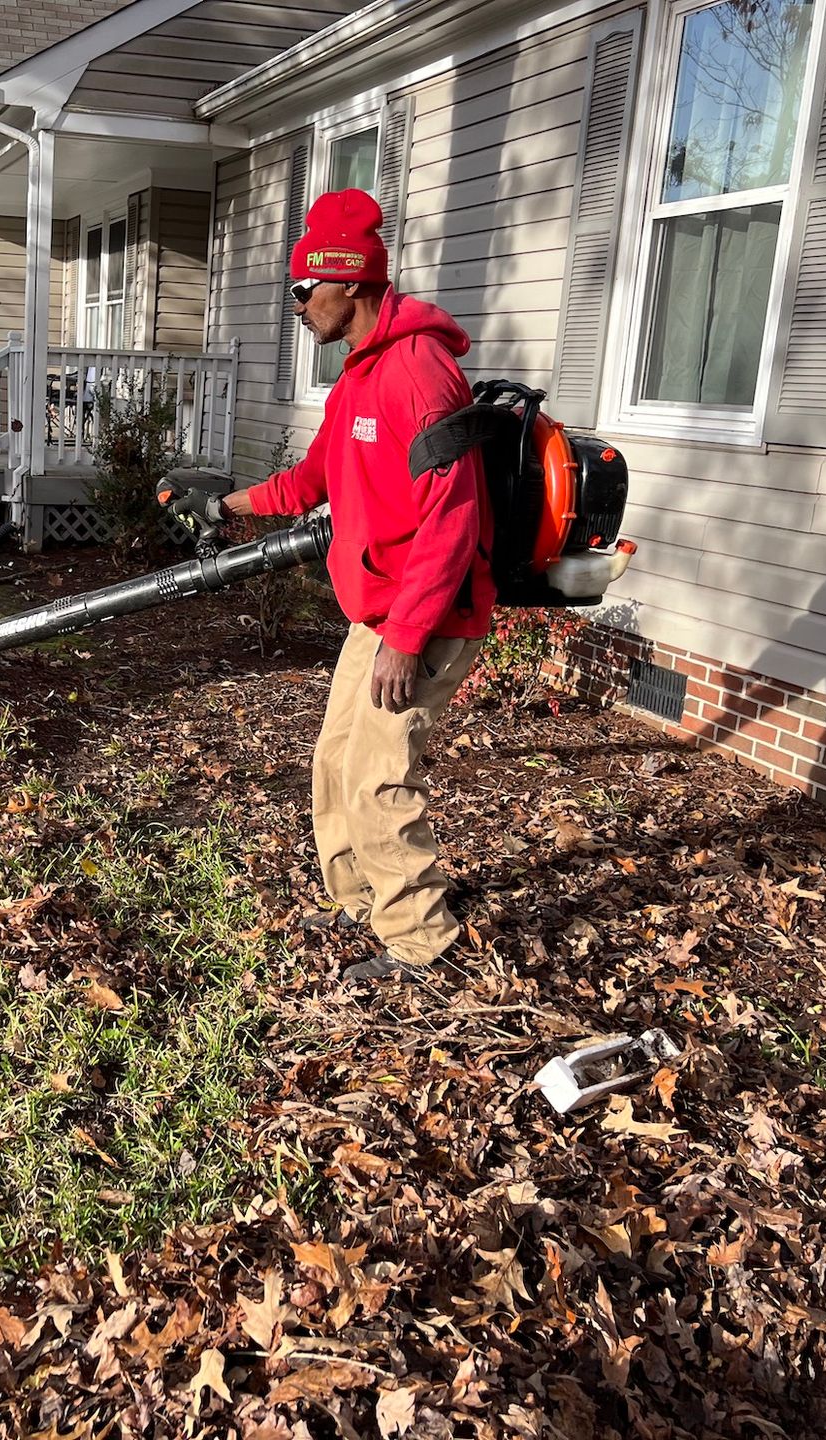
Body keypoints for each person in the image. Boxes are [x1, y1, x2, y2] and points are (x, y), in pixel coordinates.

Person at [219, 189, 493, 982]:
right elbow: (313, 478)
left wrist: (407, 638)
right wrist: (228, 503)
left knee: (379, 777)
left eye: (306, 290)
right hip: (377, 611)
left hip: (427, 616)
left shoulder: (421, 374)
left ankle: (419, 939)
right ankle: (357, 898)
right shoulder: (356, 380)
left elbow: (454, 516)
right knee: (337, 757)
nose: (299, 306)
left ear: (352, 284)